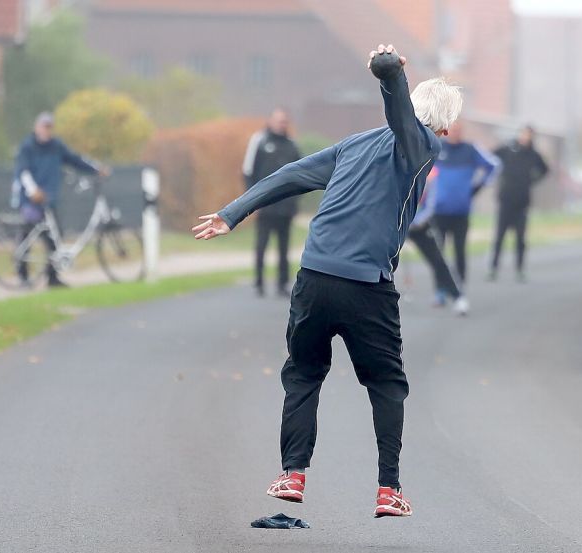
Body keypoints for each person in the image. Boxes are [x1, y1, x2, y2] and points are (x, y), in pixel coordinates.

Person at [192, 44, 462, 518]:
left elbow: (289, 176)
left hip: (313, 277)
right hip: (365, 287)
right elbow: (399, 114)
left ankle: (291, 474)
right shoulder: (424, 145)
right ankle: (389, 489)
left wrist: (233, 213)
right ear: (442, 125)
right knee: (386, 381)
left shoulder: (354, 144)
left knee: (302, 374)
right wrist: (388, 73)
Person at [13, 112, 109, 288]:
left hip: (49, 200)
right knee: (27, 238)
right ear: (37, 127)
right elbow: (23, 171)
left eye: (49, 127)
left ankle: (52, 278)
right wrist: (33, 191)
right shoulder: (27, 147)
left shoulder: (56, 146)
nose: (46, 130)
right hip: (31, 200)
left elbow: (75, 160)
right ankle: (23, 277)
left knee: (54, 239)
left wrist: (96, 169)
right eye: (44, 126)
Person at [242, 108, 303, 297]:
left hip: (285, 208)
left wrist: (294, 201)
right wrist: (251, 203)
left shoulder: (292, 145)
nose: (281, 124)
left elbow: (301, 175)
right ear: (270, 121)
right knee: (261, 245)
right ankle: (258, 282)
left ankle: (282, 283)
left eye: (284, 121)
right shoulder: (259, 141)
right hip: (264, 206)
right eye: (278, 120)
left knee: (284, 248)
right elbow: (248, 171)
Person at [430, 120, 499, 284]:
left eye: (459, 130)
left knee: (460, 250)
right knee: (438, 251)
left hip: (462, 211)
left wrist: (479, 187)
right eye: (453, 130)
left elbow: (494, 166)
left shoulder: (471, 150)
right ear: (446, 131)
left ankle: (460, 287)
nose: (455, 133)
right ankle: (441, 288)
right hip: (439, 210)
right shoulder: (437, 147)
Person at [489, 125, 549, 282]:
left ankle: (520, 269)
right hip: (506, 198)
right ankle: (493, 268)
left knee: (520, 238)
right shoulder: (508, 149)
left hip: (522, 201)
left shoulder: (534, 155)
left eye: (529, 135)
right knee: (499, 236)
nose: (525, 137)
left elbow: (545, 169)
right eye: (524, 134)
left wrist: (532, 180)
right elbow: (490, 157)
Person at [408, 167, 469, 315]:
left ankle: (458, 297)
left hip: (420, 225)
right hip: (398, 223)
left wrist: (416, 222)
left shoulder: (431, 170)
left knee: (437, 260)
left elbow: (431, 204)